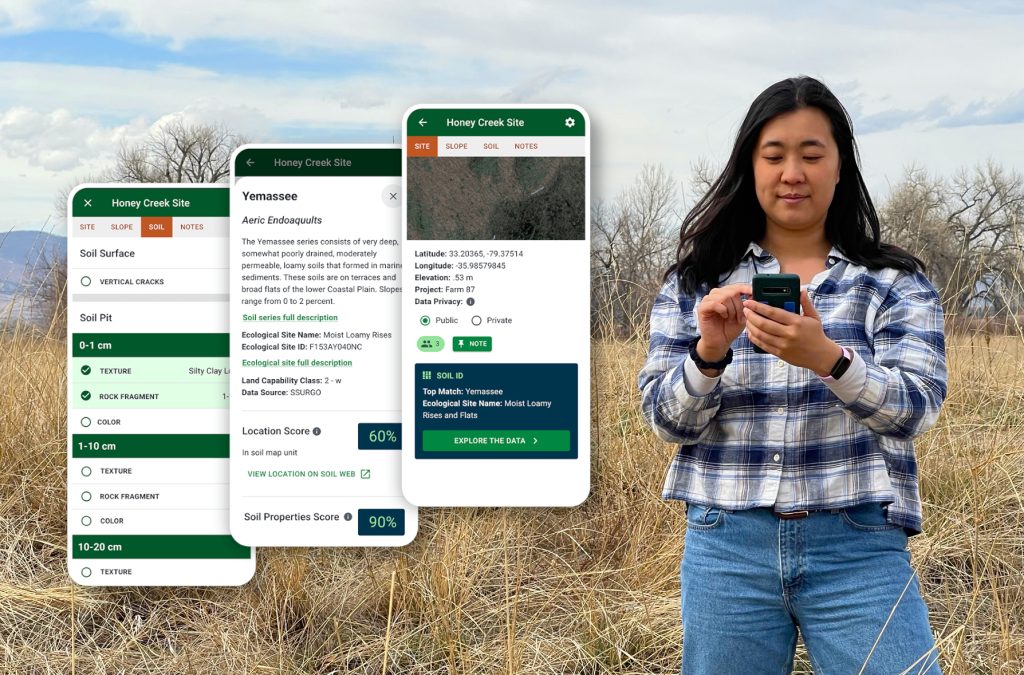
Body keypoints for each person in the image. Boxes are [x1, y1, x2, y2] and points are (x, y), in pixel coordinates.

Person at [638, 76, 947, 674]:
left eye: (812, 154)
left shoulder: (894, 284)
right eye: (774, 155)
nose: (792, 172)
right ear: (750, 167)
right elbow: (665, 422)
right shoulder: (698, 283)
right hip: (726, 542)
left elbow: (917, 407)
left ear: (840, 168)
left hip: (860, 543)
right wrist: (708, 354)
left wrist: (828, 359)